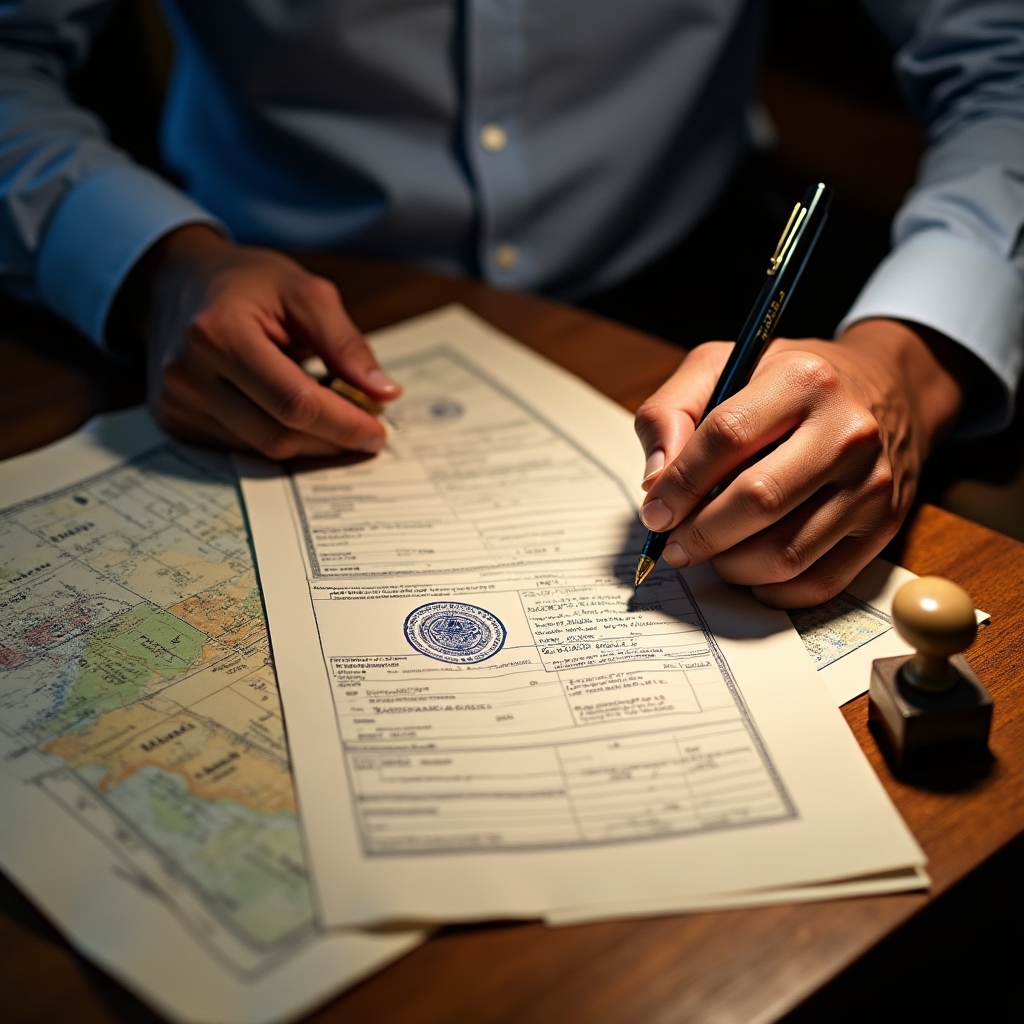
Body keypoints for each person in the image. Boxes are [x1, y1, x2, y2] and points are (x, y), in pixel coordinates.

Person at [1, 1, 1021, 607]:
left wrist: (907, 366)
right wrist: (151, 266)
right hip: (248, 315)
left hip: (691, 292)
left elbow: (1004, 60)